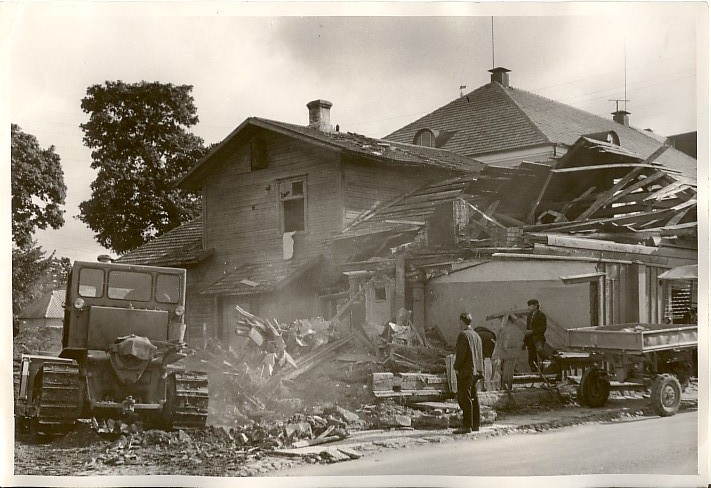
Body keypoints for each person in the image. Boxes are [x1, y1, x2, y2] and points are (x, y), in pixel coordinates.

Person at [453, 312, 484, 434]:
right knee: (474, 397)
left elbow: (461, 354)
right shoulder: (477, 335)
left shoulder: (463, 335)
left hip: (466, 371)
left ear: (462, 321)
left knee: (465, 398)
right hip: (476, 371)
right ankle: (475, 425)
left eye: (459, 322)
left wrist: (456, 367)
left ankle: (467, 426)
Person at [492, 315, 519, 394]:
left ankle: (505, 389)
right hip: (511, 353)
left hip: (507, 353)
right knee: (508, 372)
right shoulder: (514, 329)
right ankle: (507, 388)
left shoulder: (506, 329)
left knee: (506, 373)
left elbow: (504, 343)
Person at [522, 299, 547, 372]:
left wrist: (532, 331)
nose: (529, 308)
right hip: (530, 340)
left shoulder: (541, 315)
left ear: (536, 306)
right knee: (531, 358)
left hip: (538, 339)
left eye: (530, 306)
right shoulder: (529, 316)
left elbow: (543, 328)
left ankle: (546, 368)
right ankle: (534, 372)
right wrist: (524, 342)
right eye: (529, 306)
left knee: (540, 351)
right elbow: (527, 329)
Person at [474, 325, 496, 391]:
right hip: (491, 337)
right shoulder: (487, 332)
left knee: (481, 363)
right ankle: (488, 384)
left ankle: (481, 386)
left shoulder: (473, 334)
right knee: (488, 360)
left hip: (481, 339)